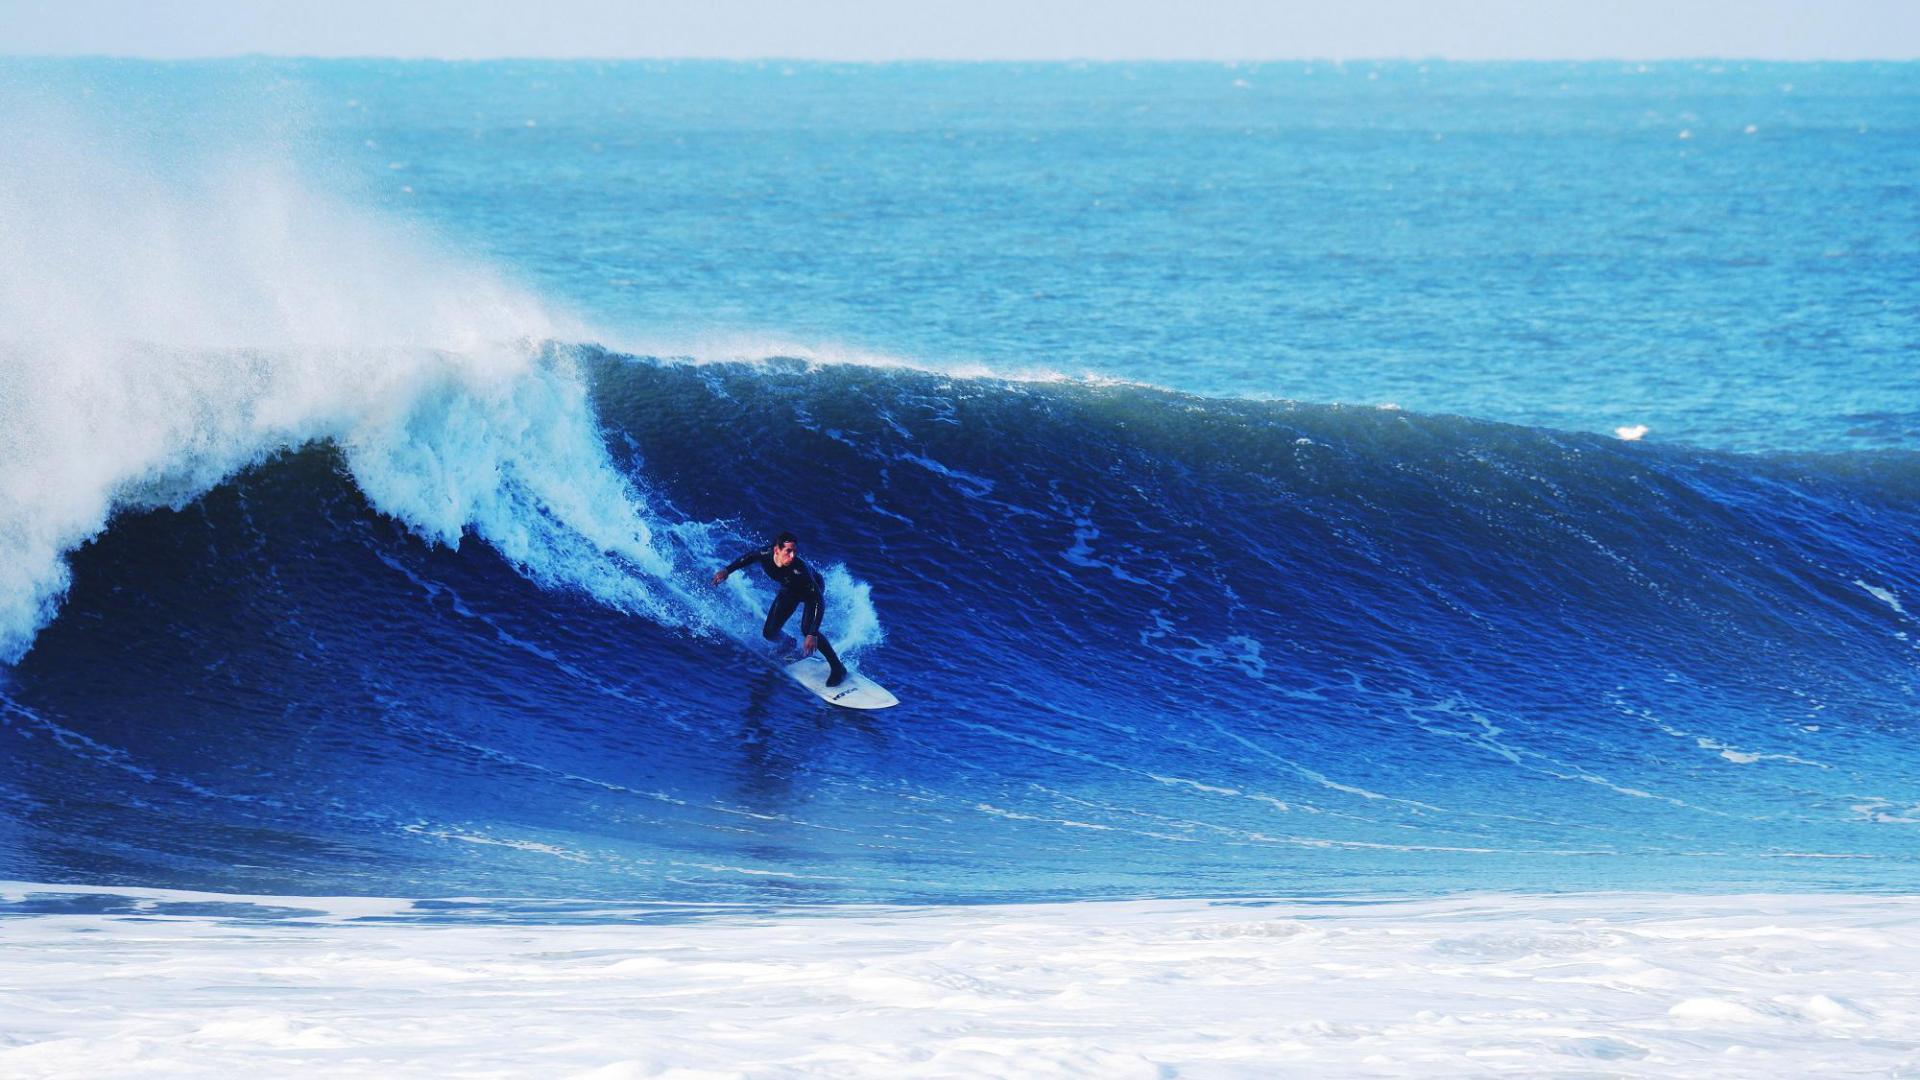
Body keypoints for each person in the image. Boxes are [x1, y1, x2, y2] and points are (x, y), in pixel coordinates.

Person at [711, 531, 850, 687]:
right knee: (769, 632)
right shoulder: (765, 553)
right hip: (790, 589)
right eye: (788, 551)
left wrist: (812, 633)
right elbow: (749, 557)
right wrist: (727, 570)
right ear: (776, 550)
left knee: (807, 629)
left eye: (795, 552)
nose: (792, 556)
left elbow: (818, 600)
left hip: (811, 591)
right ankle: (788, 643)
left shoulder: (799, 570)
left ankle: (838, 668)